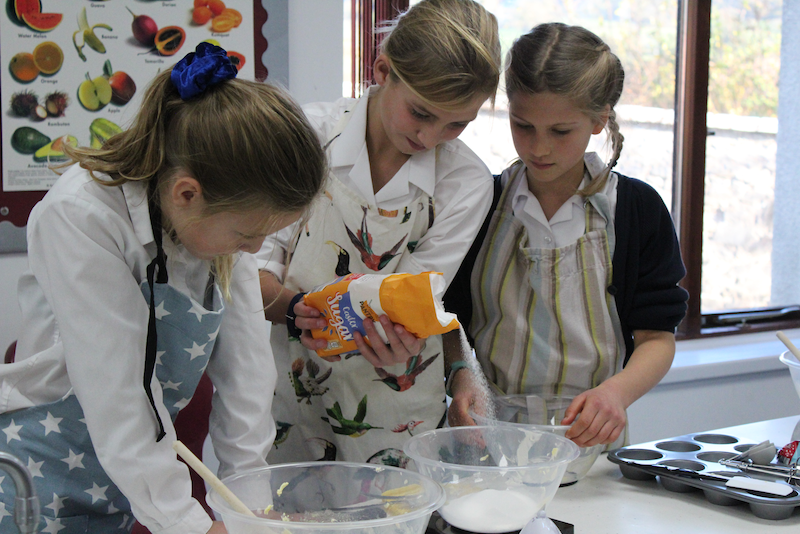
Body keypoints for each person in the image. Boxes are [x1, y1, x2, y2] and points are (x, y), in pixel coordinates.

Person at [0, 43, 326, 534]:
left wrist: (250, 506)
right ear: (187, 193)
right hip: (42, 475)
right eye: (247, 236)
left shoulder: (218, 228)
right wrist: (190, 525)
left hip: (124, 477)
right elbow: (121, 396)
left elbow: (247, 375)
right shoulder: (82, 217)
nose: (255, 249)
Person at [257, 0, 502, 465]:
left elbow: (414, 298)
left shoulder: (465, 182)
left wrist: (400, 332)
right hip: (285, 393)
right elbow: (249, 267)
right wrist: (293, 309)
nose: (431, 138)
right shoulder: (306, 135)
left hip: (396, 408)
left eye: (457, 123)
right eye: (421, 113)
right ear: (382, 69)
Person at [445, 23, 689, 449]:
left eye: (560, 132)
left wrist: (616, 394)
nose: (538, 148)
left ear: (599, 120)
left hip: (589, 443)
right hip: (488, 437)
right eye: (523, 126)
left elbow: (657, 338)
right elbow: (448, 320)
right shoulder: (480, 203)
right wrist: (460, 376)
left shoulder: (636, 211)